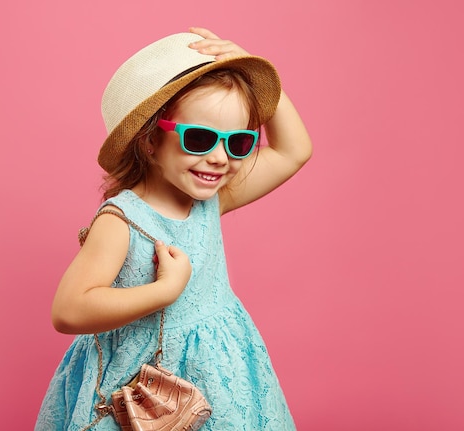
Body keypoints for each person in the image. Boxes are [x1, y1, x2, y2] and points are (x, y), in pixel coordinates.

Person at [34, 27, 312, 430]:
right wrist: (164, 291)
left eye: (238, 143)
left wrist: (252, 69)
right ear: (149, 139)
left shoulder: (209, 199)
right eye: (199, 138)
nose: (219, 158)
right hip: (144, 386)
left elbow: (293, 150)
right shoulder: (122, 221)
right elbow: (68, 310)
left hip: (219, 372)